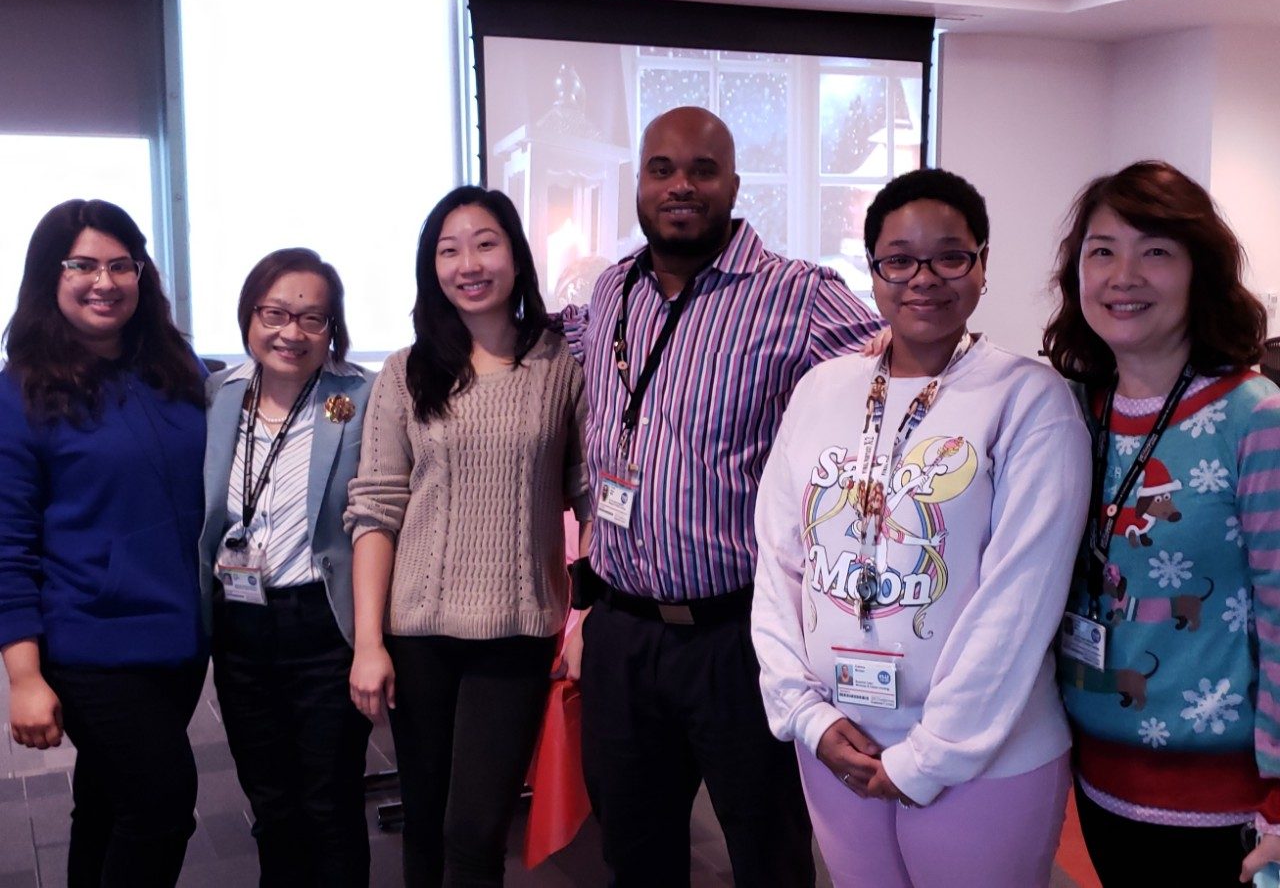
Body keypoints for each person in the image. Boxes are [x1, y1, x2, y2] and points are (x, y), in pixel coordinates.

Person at [562, 105, 883, 887]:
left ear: (734, 185)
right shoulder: (613, 290)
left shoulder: (797, 294)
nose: (681, 185)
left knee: (767, 848)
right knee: (634, 850)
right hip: (622, 632)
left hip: (738, 636)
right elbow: (549, 335)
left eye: (701, 170)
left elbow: (898, 366)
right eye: (661, 169)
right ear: (639, 182)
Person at [751, 168, 1091, 888]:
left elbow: (1020, 598)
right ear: (872, 270)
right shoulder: (821, 390)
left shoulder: (1029, 397)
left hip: (983, 755)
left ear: (982, 264)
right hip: (838, 740)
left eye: (950, 255)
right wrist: (803, 713)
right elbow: (779, 565)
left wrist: (931, 754)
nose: (923, 278)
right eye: (899, 259)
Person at [345, 186, 590, 887]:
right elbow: (376, 508)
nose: (468, 263)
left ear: (515, 254)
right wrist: (369, 643)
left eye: (486, 243)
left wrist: (588, 614)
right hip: (417, 631)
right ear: (432, 268)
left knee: (475, 829)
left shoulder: (560, 364)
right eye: (448, 250)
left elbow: (593, 497)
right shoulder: (406, 369)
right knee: (423, 820)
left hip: (516, 630)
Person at [1045, 160, 1280, 886]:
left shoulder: (1253, 417)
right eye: (1102, 250)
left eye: (1156, 251)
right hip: (1095, 775)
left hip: (1224, 801)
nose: (1124, 275)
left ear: (1199, 270)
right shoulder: (1070, 411)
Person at [0, 199, 207, 887]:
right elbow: (8, 543)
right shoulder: (20, 392)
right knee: (161, 805)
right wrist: (24, 677)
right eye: (83, 264)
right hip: (91, 642)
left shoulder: (181, 374)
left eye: (123, 265)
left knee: (108, 803)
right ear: (49, 277)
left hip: (182, 639)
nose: (106, 281)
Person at [199, 249, 373, 886]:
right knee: (270, 802)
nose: (291, 332)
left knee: (328, 802)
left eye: (313, 319)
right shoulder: (218, 398)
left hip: (321, 626)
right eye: (275, 312)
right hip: (239, 626)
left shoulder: (349, 400)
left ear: (332, 328)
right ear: (250, 314)